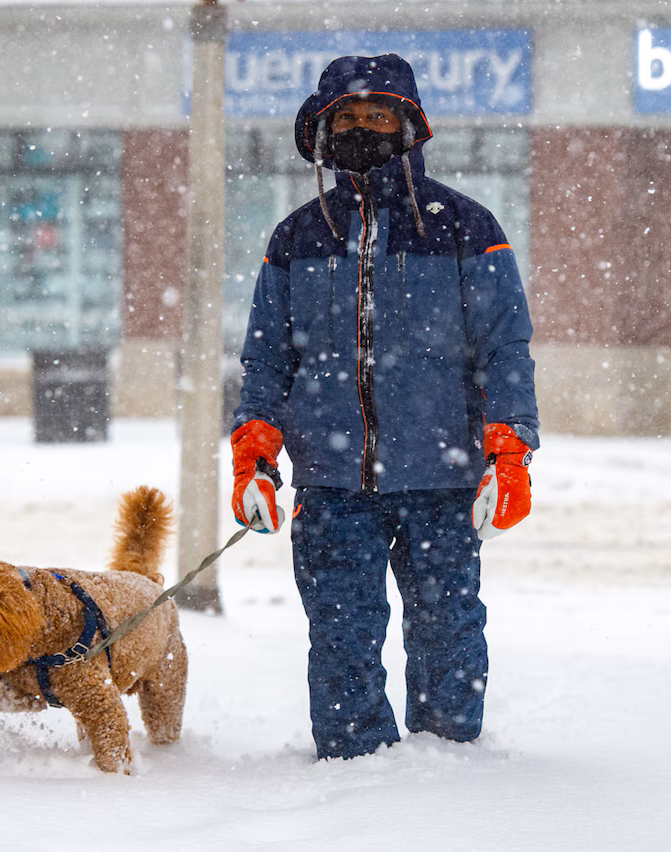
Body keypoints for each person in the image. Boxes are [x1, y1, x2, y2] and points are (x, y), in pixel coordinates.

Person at [229, 53, 540, 760]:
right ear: (323, 129)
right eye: (349, 117)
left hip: (443, 476)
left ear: (409, 126)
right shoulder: (298, 237)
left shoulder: (466, 227)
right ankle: (353, 774)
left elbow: (504, 348)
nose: (364, 128)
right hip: (332, 486)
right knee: (340, 631)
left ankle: (450, 768)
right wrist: (254, 447)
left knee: (447, 627)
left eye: (379, 115)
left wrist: (510, 448)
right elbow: (269, 358)